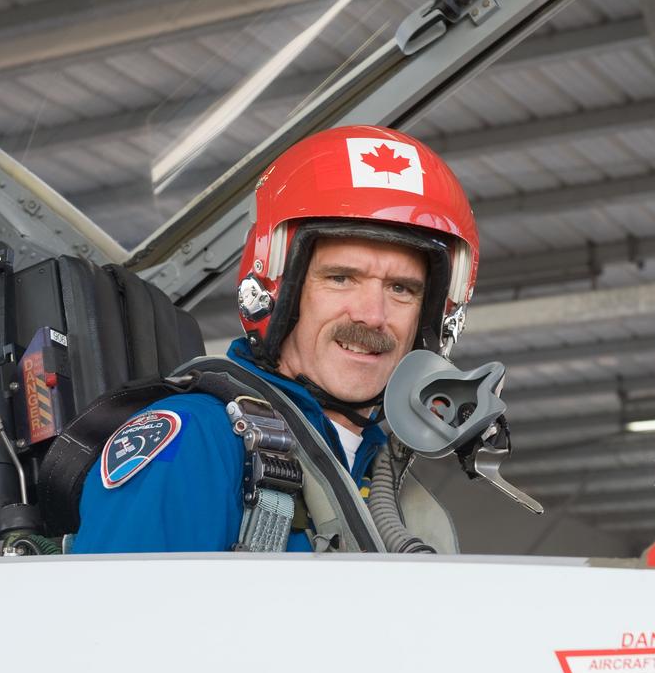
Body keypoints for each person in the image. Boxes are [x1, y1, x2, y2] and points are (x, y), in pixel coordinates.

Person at [71, 125, 479, 553]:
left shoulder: (380, 479)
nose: (372, 315)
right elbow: (112, 616)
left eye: (401, 289)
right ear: (278, 291)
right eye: (340, 278)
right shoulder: (197, 443)